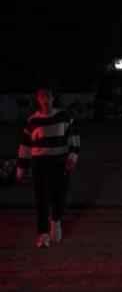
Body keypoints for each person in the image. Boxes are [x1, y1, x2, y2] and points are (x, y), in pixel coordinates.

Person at [15, 87, 80, 248]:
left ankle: (56, 222)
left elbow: (74, 137)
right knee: (41, 198)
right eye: (42, 97)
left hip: (60, 162)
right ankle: (43, 234)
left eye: (48, 97)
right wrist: (21, 167)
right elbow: (25, 145)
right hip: (40, 163)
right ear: (38, 100)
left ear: (53, 98)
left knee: (60, 195)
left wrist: (72, 157)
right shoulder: (32, 121)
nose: (45, 100)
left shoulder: (64, 116)